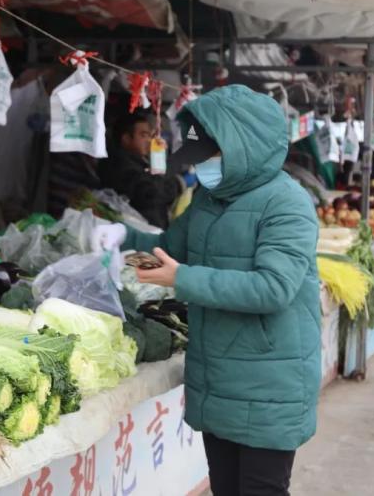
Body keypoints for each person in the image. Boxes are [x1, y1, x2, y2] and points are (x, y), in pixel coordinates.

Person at [93, 85, 320, 496]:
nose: (202, 163)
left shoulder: (287, 204)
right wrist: (121, 239)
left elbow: (274, 288)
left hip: (268, 382)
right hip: (218, 378)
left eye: (210, 150)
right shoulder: (209, 198)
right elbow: (172, 248)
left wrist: (182, 280)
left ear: (241, 146)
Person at [99, 114, 184, 229]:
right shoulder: (119, 164)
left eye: (150, 135)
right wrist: (178, 184)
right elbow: (151, 194)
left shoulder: (140, 162)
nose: (149, 141)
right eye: (143, 135)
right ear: (126, 139)